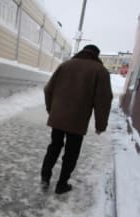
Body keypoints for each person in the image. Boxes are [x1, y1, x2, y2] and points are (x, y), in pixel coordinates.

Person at [40, 44, 113, 194]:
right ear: (96, 55)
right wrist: (101, 125)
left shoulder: (65, 66)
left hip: (58, 118)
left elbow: (48, 89)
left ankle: (45, 178)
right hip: (77, 121)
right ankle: (61, 185)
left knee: (54, 147)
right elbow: (103, 101)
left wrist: (51, 110)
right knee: (71, 153)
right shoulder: (100, 71)